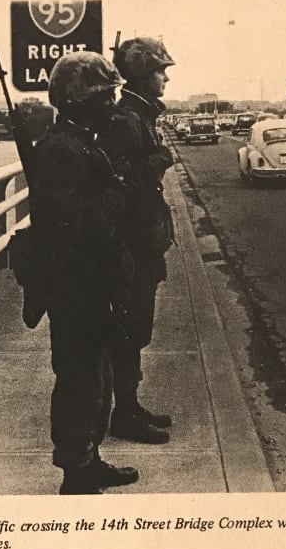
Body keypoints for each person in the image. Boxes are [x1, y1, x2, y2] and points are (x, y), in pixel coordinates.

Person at [27, 51, 139, 494]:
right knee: (79, 377)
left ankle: (88, 457)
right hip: (75, 284)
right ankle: (77, 469)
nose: (112, 102)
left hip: (89, 280)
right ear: (77, 100)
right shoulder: (62, 150)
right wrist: (116, 191)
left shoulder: (79, 142)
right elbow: (80, 224)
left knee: (95, 374)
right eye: (103, 95)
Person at [101, 36, 177, 444]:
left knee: (137, 331)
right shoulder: (127, 120)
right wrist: (159, 159)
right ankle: (124, 414)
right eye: (160, 71)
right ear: (142, 75)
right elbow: (118, 182)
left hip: (141, 245)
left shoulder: (139, 115)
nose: (165, 78)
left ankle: (129, 405)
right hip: (131, 247)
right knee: (129, 332)